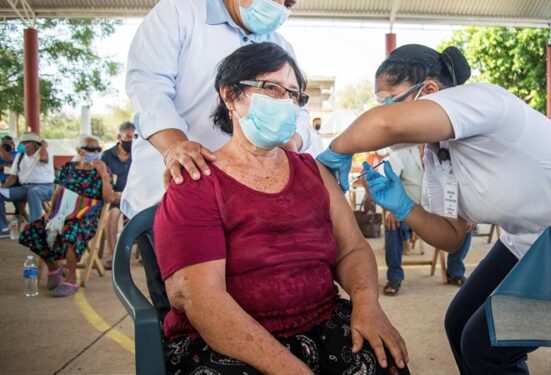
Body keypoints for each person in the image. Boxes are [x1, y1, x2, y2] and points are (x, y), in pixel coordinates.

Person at [316, 44, 551, 374]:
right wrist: (406, 207)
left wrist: (335, 151)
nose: (385, 110)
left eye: (390, 100)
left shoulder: (481, 99)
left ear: (432, 90)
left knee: (485, 345)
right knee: (458, 321)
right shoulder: (437, 154)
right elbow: (452, 236)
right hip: (530, 239)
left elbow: (384, 125)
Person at [154, 42, 409, 375]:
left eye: (294, 94)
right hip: (231, 339)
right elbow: (200, 299)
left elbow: (352, 250)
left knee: (387, 361)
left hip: (321, 320)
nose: (286, 102)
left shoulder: (311, 171)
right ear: (230, 95)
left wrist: (366, 303)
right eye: (272, 88)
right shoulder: (197, 181)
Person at [122, 0, 312, 219]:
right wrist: (174, 145)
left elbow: (300, 109)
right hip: (172, 190)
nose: (278, 6)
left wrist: (292, 141)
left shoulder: (281, 47)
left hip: (246, 202)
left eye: (288, 3)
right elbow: (148, 87)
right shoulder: (179, 12)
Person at [19, 135, 115, 297]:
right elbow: (58, 190)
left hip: (86, 216)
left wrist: (104, 174)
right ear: (79, 150)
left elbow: (109, 199)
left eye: (98, 149)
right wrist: (51, 213)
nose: (95, 152)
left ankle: (71, 279)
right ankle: (54, 267)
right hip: (62, 213)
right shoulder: (68, 168)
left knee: (71, 232)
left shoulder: (103, 170)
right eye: (90, 149)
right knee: (32, 231)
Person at [382, 145, 472, 296]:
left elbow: (460, 183)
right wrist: (392, 209)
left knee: (466, 225)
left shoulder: (448, 149)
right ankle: (394, 278)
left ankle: (454, 272)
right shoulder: (402, 151)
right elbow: (391, 179)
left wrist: (466, 213)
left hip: (439, 213)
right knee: (392, 224)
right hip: (409, 212)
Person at [0, 132, 55, 238]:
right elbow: (13, 176)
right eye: (22, 142)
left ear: (35, 144)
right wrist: (4, 187)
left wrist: (43, 146)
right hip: (25, 188)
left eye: (26, 142)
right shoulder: (20, 156)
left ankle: (36, 229)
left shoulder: (44, 152)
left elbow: (43, 159)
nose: (22, 144)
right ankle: (3, 228)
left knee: (34, 192)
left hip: (45, 187)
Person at [100, 122, 135, 269]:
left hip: (132, 196)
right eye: (127, 137)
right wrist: (114, 194)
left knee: (144, 216)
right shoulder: (107, 155)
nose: (130, 141)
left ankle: (144, 254)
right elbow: (103, 180)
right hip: (113, 196)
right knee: (113, 214)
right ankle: (113, 255)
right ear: (118, 136)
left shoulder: (137, 155)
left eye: (133, 138)